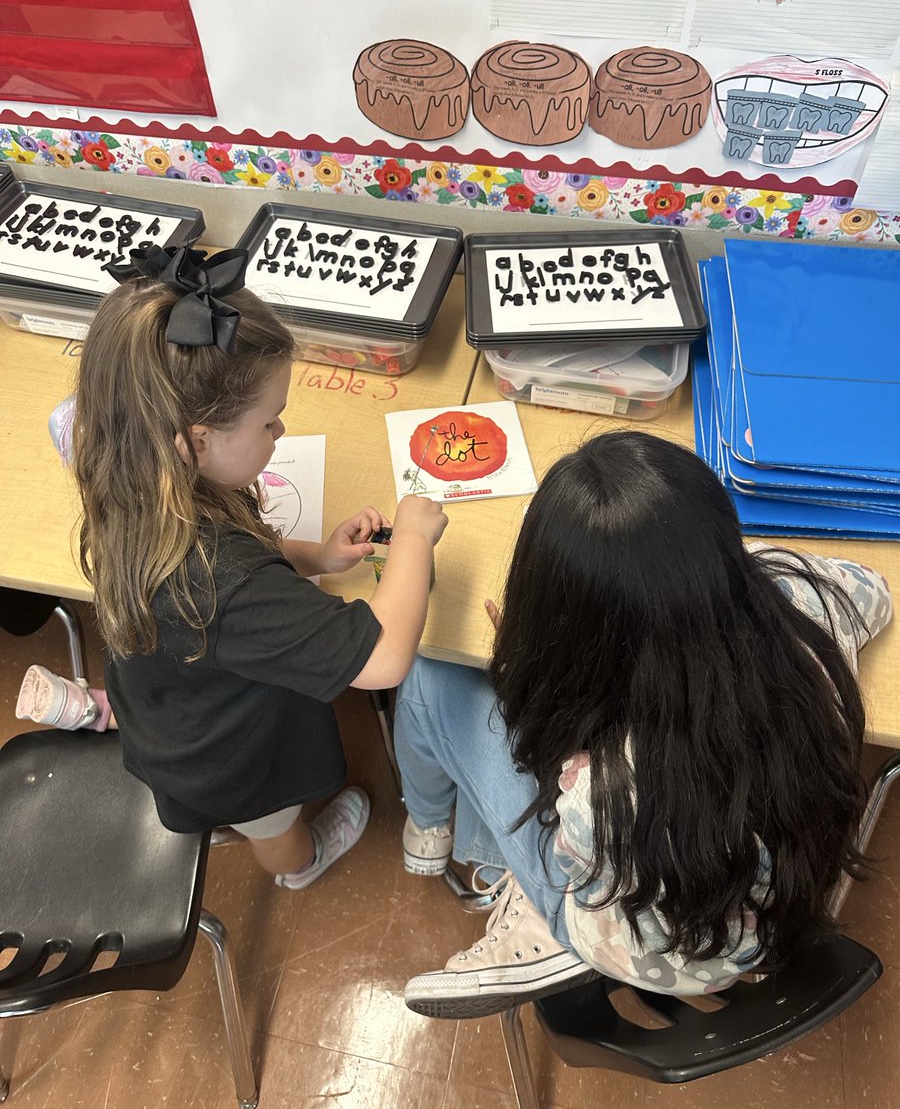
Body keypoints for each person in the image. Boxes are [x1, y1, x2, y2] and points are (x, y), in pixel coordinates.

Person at [396, 431, 892, 1019]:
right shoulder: (808, 602)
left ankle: (529, 911)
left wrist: (526, 669)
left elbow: (564, 813)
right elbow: (877, 593)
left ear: (562, 625)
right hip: (768, 911)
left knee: (433, 674)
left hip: (654, 944)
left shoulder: (594, 787)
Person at [17, 244, 446, 890]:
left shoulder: (132, 475)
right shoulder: (219, 582)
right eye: (269, 422)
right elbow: (383, 660)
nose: (280, 431)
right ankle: (299, 866)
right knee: (275, 826)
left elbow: (248, 551)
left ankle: (113, 723)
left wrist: (318, 557)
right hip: (226, 760)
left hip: (167, 706)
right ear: (195, 441)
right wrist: (412, 536)